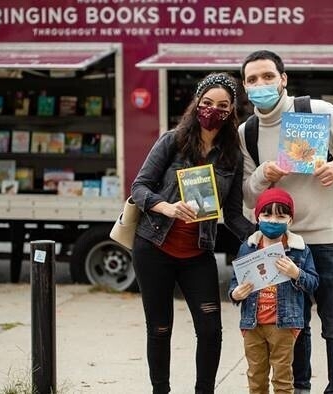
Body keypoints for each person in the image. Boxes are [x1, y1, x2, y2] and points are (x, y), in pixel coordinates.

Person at [239, 50, 333, 394]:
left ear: (283, 79)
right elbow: (246, 196)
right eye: (253, 79)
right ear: (245, 86)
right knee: (291, 324)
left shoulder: (317, 111)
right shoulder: (247, 132)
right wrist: (260, 175)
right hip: (284, 242)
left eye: (268, 77)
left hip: (330, 236)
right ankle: (300, 388)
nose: (261, 85)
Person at [131, 72, 256, 394]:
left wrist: (259, 237)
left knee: (211, 330)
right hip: (154, 246)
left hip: (198, 252)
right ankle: (161, 390)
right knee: (159, 329)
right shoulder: (172, 141)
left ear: (231, 112)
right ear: (197, 104)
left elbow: (231, 214)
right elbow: (140, 187)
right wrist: (167, 207)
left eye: (222, 106)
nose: (213, 110)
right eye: (207, 103)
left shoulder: (232, 155)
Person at [229, 187, 318, 394]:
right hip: (253, 324)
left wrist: (296, 273)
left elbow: (313, 283)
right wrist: (236, 294)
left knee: (283, 378)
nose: (273, 220)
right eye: (267, 214)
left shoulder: (299, 249)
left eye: (281, 215)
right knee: (256, 377)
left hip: (284, 325)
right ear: (257, 217)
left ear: (290, 220)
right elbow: (235, 283)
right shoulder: (248, 247)